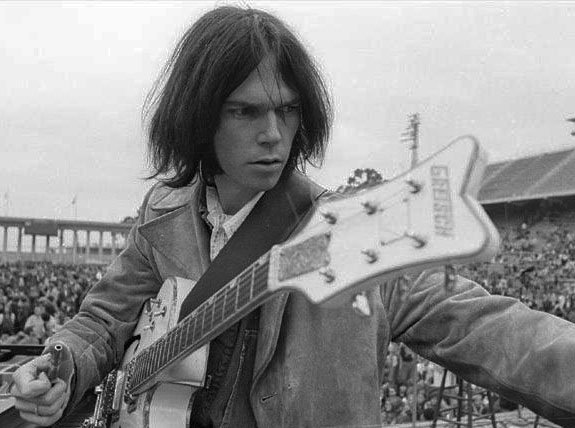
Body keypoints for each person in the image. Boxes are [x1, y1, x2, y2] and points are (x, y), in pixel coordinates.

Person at [9, 5, 575, 428]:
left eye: (287, 109)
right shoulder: (164, 213)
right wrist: (60, 365)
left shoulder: (350, 232)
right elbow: (104, 319)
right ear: (198, 117)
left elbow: (485, 325)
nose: (273, 134)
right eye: (246, 111)